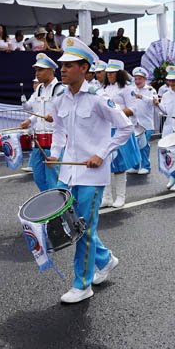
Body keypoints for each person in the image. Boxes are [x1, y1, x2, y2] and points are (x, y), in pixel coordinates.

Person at [48, 37, 134, 303]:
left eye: (69, 65)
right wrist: (54, 154)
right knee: (68, 225)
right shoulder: (60, 98)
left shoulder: (98, 98)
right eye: (62, 65)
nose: (62, 69)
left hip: (92, 175)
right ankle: (105, 259)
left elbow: (125, 128)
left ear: (84, 68)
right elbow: (58, 129)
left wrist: (102, 153)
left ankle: (82, 285)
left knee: (83, 229)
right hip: (68, 173)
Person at [20, 53, 64, 191]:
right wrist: (29, 118)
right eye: (36, 70)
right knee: (38, 176)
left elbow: (66, 112)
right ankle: (49, 199)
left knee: (53, 177)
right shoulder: (39, 89)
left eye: (40, 70)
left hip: (53, 138)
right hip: (39, 138)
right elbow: (34, 109)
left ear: (51, 70)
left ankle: (58, 201)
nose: (37, 73)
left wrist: (55, 116)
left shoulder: (60, 89)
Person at [101, 59, 141, 208]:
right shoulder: (103, 88)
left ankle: (120, 196)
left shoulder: (127, 89)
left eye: (113, 73)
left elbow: (133, 109)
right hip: (106, 130)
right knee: (104, 163)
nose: (109, 75)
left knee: (120, 164)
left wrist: (115, 114)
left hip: (120, 128)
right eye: (108, 73)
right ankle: (107, 197)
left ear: (119, 73)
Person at [130, 67, 157, 175]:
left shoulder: (150, 90)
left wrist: (142, 97)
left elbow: (154, 102)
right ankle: (136, 166)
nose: (137, 81)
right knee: (134, 146)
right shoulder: (132, 89)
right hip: (134, 123)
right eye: (136, 79)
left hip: (146, 124)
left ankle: (146, 166)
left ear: (145, 79)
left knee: (144, 146)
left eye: (140, 79)